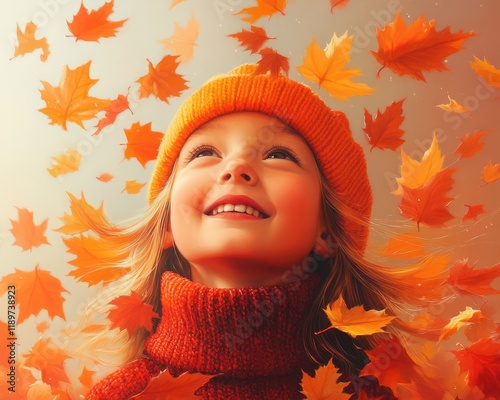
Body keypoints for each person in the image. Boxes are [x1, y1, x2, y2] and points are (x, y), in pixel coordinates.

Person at [83, 64, 426, 399]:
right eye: (205, 152)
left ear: (327, 231)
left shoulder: (366, 394)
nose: (236, 167)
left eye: (279, 154)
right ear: (166, 224)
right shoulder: (122, 395)